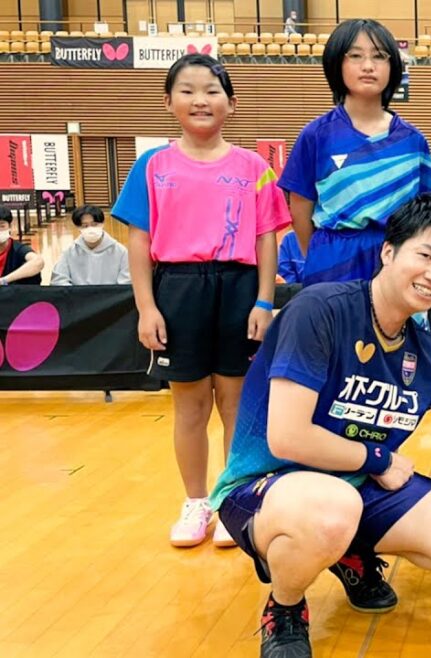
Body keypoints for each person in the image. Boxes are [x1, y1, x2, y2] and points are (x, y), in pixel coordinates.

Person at [210, 193, 431, 658]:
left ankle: (348, 551)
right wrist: (377, 457)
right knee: (332, 508)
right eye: (425, 255)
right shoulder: (320, 310)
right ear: (389, 252)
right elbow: (288, 435)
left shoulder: (426, 351)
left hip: (357, 485)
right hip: (267, 484)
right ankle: (285, 607)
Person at [112, 55, 291, 549]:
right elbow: (139, 241)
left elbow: (266, 240)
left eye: (212, 90)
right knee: (190, 404)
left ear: (231, 104)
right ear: (168, 103)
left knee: (236, 402)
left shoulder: (253, 167)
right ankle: (196, 503)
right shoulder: (153, 166)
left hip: (237, 287)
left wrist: (262, 301)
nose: (200, 99)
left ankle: (231, 498)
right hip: (179, 291)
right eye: (187, 90)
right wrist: (147, 308)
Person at [280, 19, 431, 286]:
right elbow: (300, 210)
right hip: (333, 261)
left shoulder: (413, 140)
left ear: (393, 67)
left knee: (395, 329)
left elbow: (426, 213)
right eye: (355, 55)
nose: (368, 66)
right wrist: (321, 254)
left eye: (379, 56)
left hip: (398, 261)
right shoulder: (316, 135)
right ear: (336, 64)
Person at [50, 205, 131, 286]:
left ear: (102, 224)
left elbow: (126, 282)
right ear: (78, 227)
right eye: (85, 226)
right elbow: (58, 281)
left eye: (94, 224)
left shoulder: (121, 252)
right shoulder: (68, 253)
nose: (90, 229)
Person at [0, 208, 45, 286]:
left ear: (10, 226)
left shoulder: (17, 249)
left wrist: (4, 280)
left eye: (2, 226)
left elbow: (38, 262)